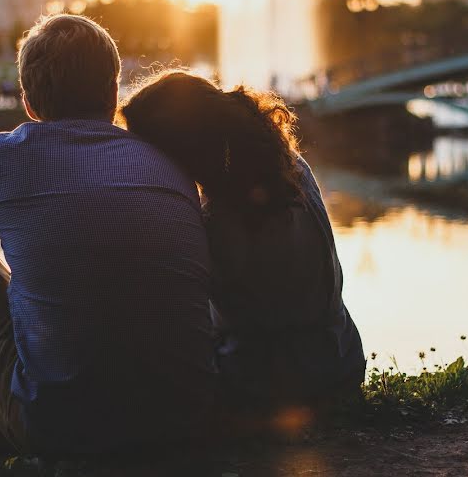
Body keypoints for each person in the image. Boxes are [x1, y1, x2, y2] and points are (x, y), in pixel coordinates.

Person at [0, 15, 216, 463]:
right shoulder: (164, 161)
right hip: (186, 420)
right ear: (112, 90)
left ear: (28, 102)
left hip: (63, 429)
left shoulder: (5, 157)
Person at [120, 71, 365, 414]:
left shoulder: (219, 222)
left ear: (177, 153)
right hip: (342, 360)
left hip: (271, 385)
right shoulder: (294, 168)